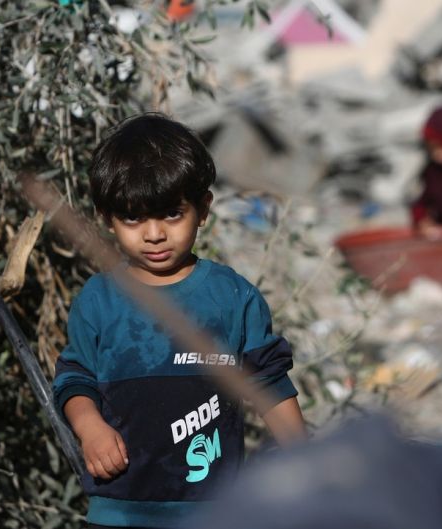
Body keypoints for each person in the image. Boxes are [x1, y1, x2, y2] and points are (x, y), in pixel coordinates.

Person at [52, 113, 307, 529]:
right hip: (121, 511)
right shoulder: (98, 301)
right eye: (133, 218)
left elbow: (269, 385)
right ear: (106, 217)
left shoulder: (233, 298)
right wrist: (90, 427)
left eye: (171, 214)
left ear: (202, 209)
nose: (153, 234)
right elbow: (75, 378)